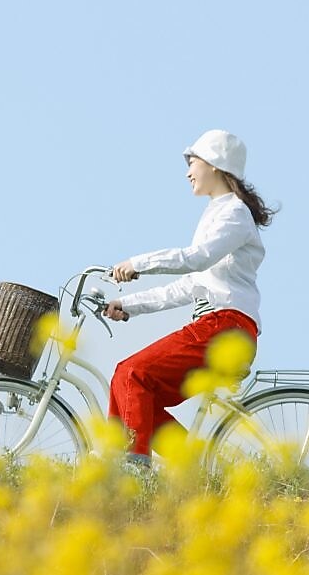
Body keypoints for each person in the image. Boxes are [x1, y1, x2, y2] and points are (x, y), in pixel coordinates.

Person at [103, 129, 275, 466]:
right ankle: (194, 468)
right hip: (218, 326)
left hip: (225, 326)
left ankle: (133, 469)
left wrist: (138, 263)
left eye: (192, 162)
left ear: (215, 164)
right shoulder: (216, 213)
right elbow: (188, 285)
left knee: (131, 373)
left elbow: (195, 259)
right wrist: (129, 305)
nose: (187, 172)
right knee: (133, 390)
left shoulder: (234, 214)